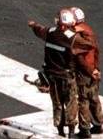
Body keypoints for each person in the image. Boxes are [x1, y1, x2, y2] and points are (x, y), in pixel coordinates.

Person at [28, 9, 78, 137]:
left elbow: (40, 30)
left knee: (57, 104)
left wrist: (33, 25)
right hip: (67, 77)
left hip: (52, 77)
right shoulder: (72, 37)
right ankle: (71, 132)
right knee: (71, 103)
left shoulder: (50, 32)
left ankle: (60, 131)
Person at [70, 7, 103, 137]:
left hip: (84, 73)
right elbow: (97, 51)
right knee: (94, 98)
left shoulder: (77, 35)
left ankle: (84, 130)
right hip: (93, 71)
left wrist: (90, 71)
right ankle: (98, 124)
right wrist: (96, 69)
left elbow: (80, 59)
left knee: (83, 100)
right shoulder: (89, 31)